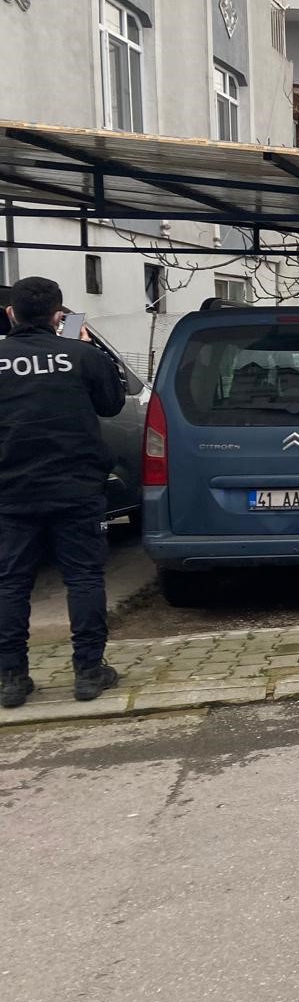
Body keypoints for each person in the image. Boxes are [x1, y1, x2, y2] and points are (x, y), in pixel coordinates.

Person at [0, 277, 126, 708]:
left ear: (11, 313)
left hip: (11, 490)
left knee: (11, 583)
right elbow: (111, 404)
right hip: (77, 487)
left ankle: (12, 678)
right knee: (84, 577)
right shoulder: (80, 354)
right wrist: (84, 348)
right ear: (59, 316)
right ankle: (89, 672)